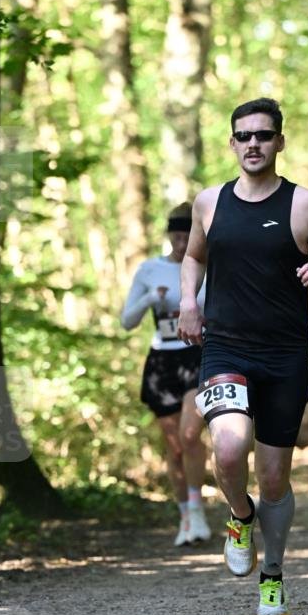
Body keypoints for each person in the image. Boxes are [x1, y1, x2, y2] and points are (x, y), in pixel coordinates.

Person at [178, 97, 308, 615]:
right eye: (244, 135)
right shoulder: (209, 203)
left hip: (286, 355)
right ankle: (238, 515)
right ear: (232, 143)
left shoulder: (304, 204)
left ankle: (272, 577)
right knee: (229, 450)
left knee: (274, 477)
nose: (253, 143)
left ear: (279, 141)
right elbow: (193, 256)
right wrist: (189, 301)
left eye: (263, 135)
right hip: (225, 346)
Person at [121, 205, 211, 547]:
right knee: (174, 448)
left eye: (187, 233)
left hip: (197, 355)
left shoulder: (208, 265)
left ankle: (199, 509)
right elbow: (127, 321)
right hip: (161, 362)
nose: (180, 240)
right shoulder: (149, 270)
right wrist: (148, 298)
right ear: (167, 234)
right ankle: (186, 516)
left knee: (190, 435)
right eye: (175, 233)